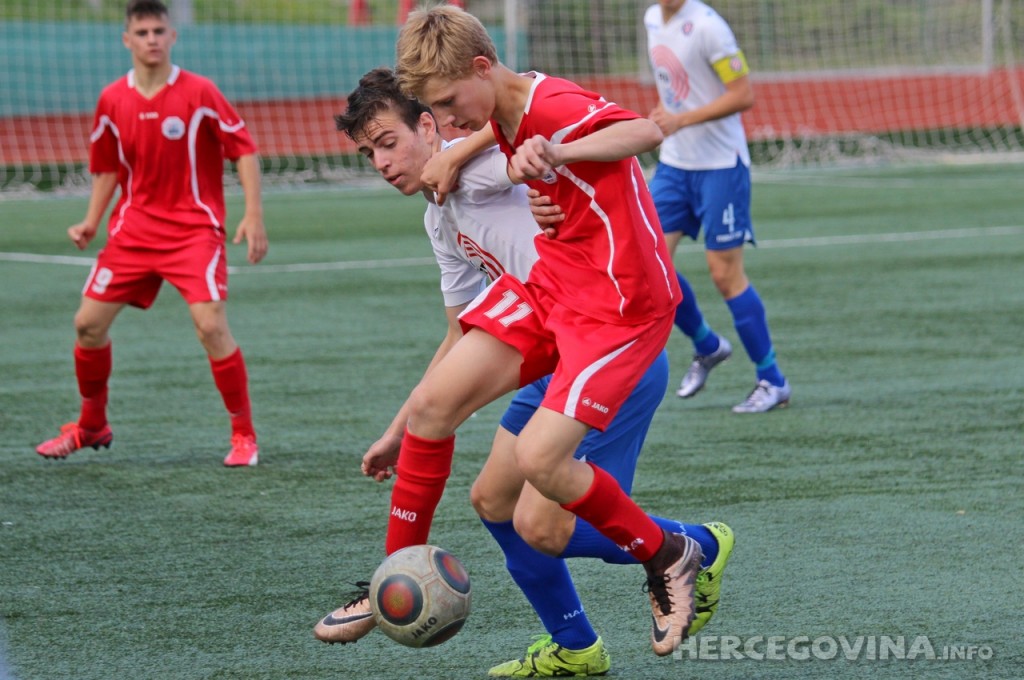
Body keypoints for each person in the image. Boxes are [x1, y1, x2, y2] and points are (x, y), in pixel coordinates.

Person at [314, 68, 735, 675]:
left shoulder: (484, 165)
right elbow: (460, 334)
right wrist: (399, 428)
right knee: (491, 500)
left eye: (387, 142)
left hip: (606, 351)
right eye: (368, 152)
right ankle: (565, 643)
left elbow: (517, 119)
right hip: (545, 345)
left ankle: (693, 543)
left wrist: (483, 157)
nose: (380, 162)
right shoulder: (440, 217)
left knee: (544, 527)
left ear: (430, 125)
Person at [34, 0, 268, 467]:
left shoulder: (199, 92)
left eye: (159, 30)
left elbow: (243, 149)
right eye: (142, 32)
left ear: (173, 36)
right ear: (127, 40)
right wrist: (91, 221)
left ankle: (244, 435)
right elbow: (105, 168)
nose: (152, 39)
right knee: (87, 325)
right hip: (134, 230)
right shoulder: (112, 99)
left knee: (210, 324)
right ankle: (92, 425)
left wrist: (253, 214)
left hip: (193, 231)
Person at [645, 0, 791, 412]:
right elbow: (675, 85)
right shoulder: (652, 19)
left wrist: (682, 119)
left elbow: (743, 95)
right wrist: (667, 115)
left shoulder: (709, 27)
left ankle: (772, 380)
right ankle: (707, 345)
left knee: (724, 274)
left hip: (721, 168)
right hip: (675, 166)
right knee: (646, 263)